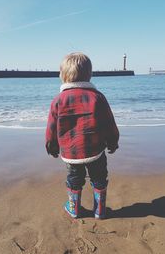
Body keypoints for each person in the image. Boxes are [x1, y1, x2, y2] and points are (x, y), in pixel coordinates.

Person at [45, 52, 119, 219]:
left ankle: (74, 209)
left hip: (71, 153)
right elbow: (109, 123)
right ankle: (100, 210)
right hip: (96, 150)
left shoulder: (58, 100)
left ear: (63, 75)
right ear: (89, 74)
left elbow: (51, 128)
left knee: (74, 179)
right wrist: (112, 142)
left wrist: (52, 146)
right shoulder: (98, 97)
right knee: (99, 178)